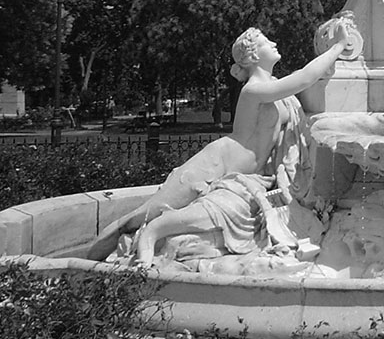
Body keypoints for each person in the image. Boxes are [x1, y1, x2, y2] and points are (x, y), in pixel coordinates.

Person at [87, 24, 350, 261]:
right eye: (267, 42)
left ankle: (150, 235)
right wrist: (338, 46)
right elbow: (304, 77)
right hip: (216, 162)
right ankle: (90, 258)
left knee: (157, 214)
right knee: (144, 213)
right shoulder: (253, 90)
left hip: (245, 175)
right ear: (255, 56)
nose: (274, 44)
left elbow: (308, 86)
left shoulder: (273, 86)